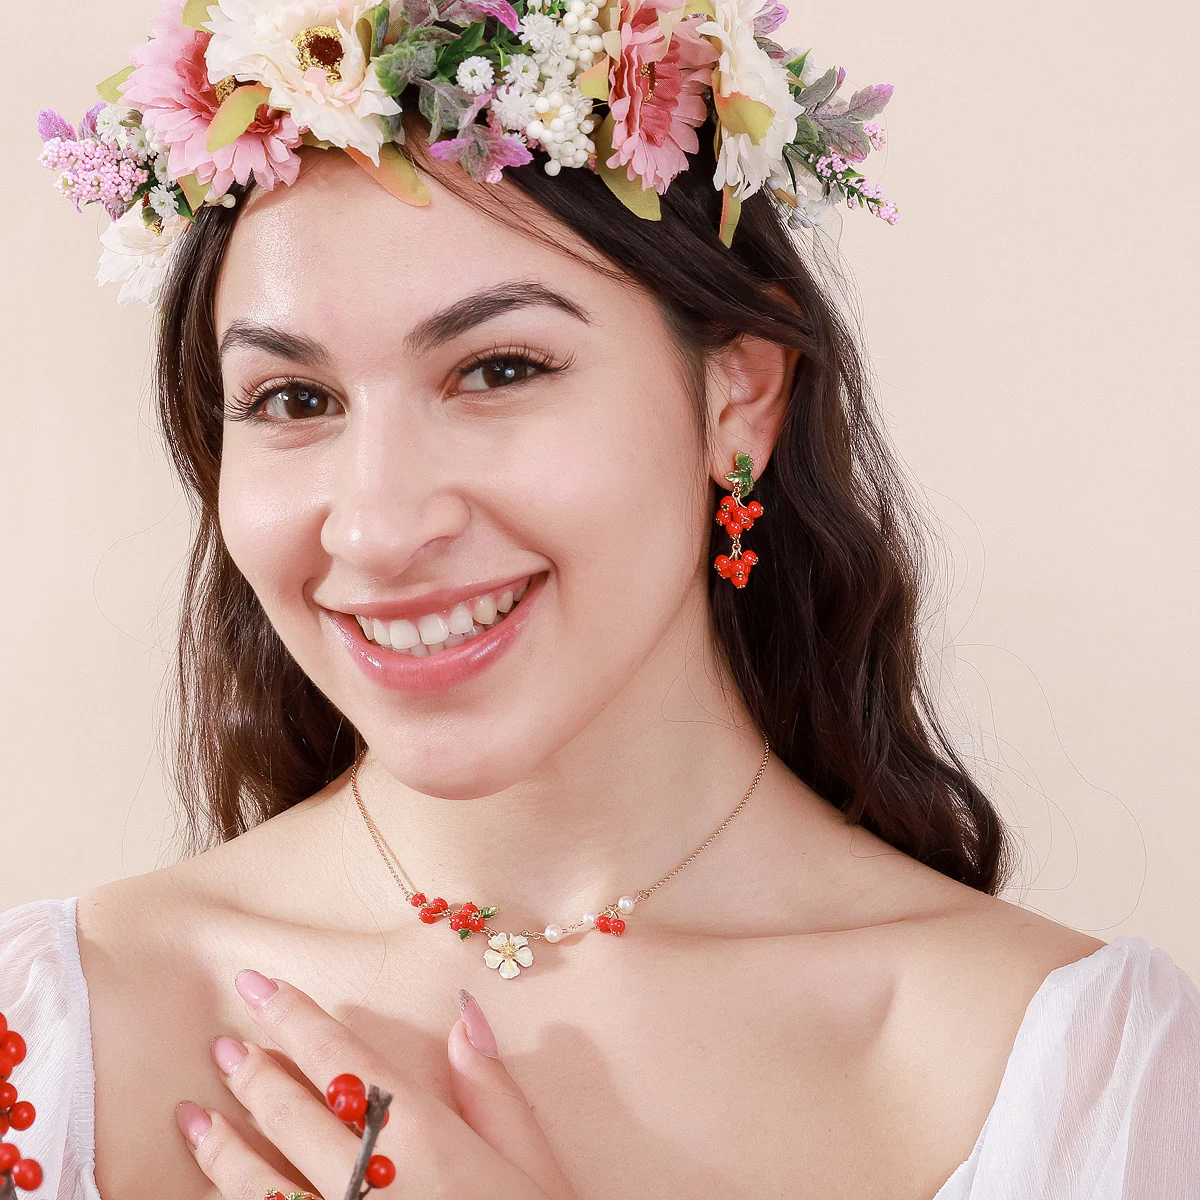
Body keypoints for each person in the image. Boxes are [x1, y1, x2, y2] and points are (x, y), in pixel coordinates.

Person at [5, 1, 1199, 1196]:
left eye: (499, 369)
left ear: (740, 397)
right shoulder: (49, 1038)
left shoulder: (1077, 1073)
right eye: (292, 400)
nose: (377, 525)